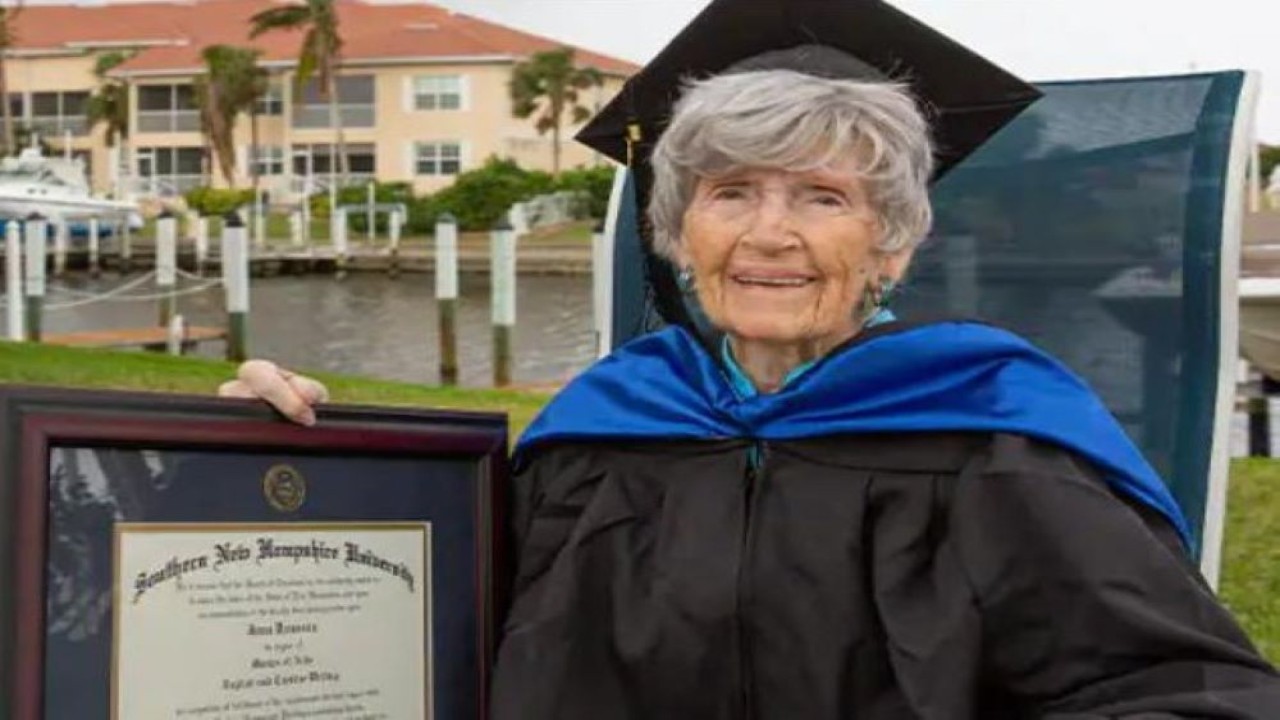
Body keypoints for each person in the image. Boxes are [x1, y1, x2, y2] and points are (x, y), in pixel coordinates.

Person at [224, 0, 1280, 717]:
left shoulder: (994, 441)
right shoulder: (599, 433)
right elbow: (407, 631)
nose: (768, 234)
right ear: (680, 233)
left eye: (822, 198)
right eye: (730, 193)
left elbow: (1186, 693)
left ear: (892, 243)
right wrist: (299, 470)